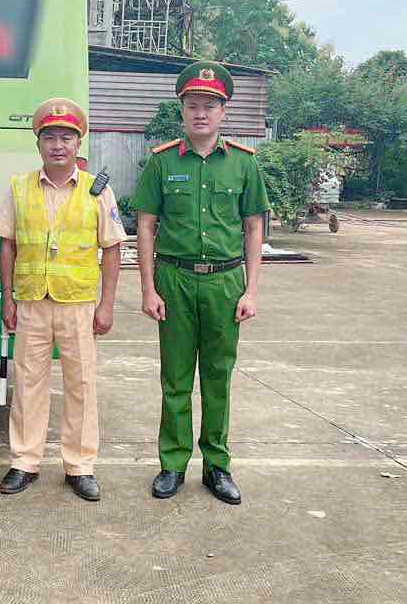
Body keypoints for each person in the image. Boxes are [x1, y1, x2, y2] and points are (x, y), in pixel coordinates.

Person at [131, 61, 271, 506]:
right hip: (173, 280)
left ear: (223, 111)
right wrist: (148, 289)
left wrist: (250, 290)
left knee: (217, 377)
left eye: (210, 106)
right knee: (174, 378)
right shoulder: (162, 162)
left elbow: (253, 228)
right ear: (183, 110)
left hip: (224, 284)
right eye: (192, 106)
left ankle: (217, 464)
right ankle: (172, 464)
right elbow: (146, 225)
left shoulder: (244, 165)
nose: (201, 114)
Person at [0, 99, 124, 502]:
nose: (57, 145)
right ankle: (25, 461)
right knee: (28, 382)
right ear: (38, 144)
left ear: (77, 143)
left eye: (66, 137)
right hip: (32, 301)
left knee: (81, 384)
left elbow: (113, 250)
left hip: (79, 303)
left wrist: (107, 305)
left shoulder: (97, 191)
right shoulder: (19, 187)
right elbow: (8, 246)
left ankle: (80, 466)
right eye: (49, 137)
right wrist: (6, 298)